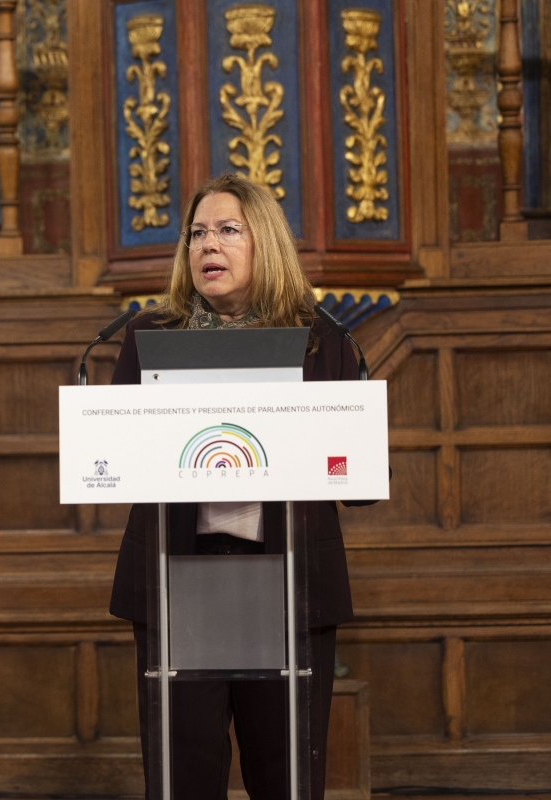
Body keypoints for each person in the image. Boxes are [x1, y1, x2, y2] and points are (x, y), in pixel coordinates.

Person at [107, 173, 378, 798]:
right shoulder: (149, 336)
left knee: (283, 776)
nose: (209, 245)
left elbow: (358, 482)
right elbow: (118, 454)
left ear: (267, 245)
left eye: (229, 231)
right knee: (185, 775)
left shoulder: (324, 340)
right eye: (198, 233)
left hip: (285, 585)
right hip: (180, 583)